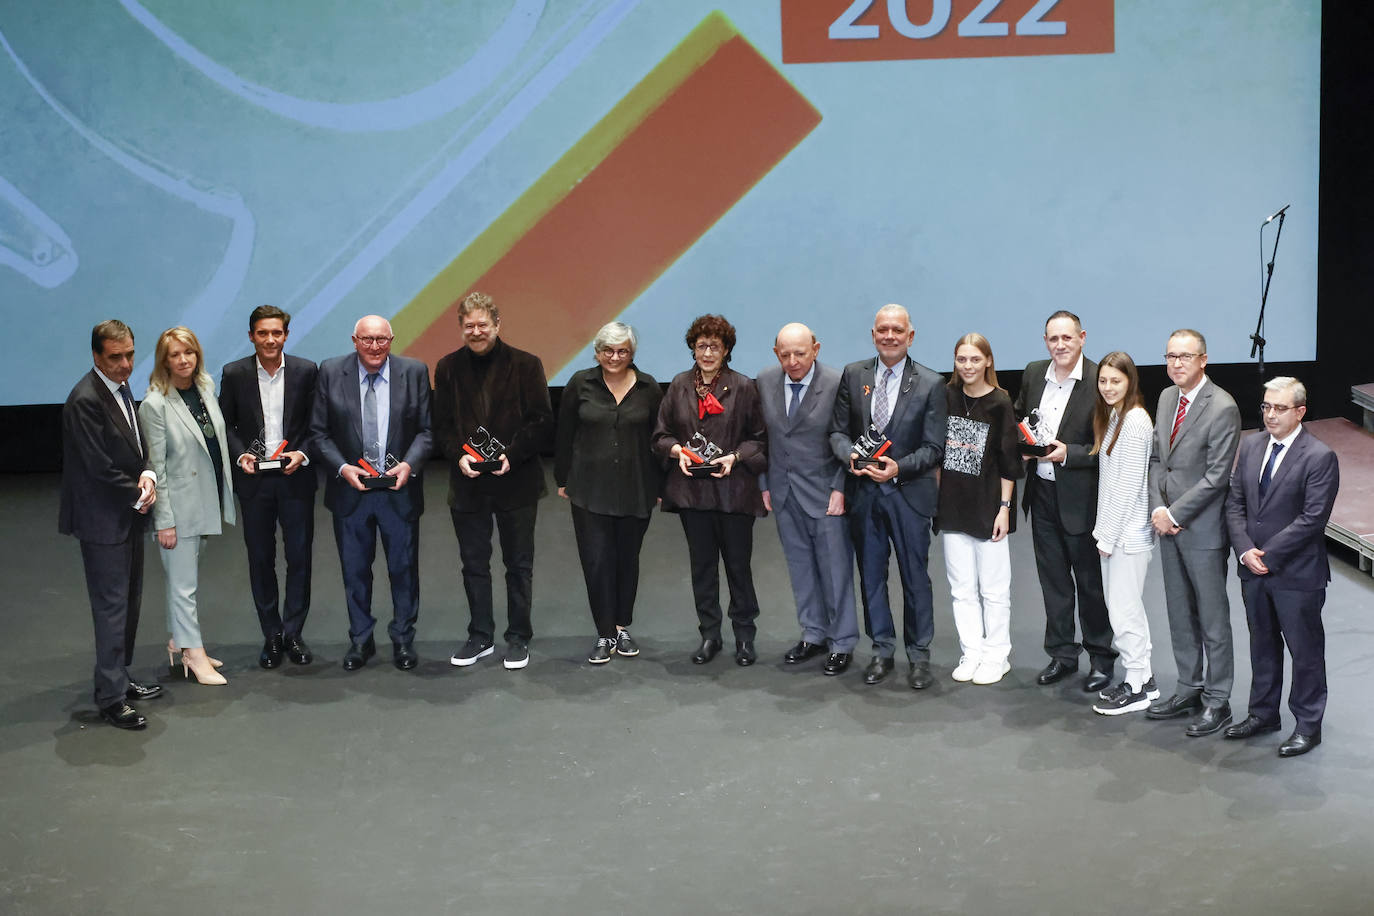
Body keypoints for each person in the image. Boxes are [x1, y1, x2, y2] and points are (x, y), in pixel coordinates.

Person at [434, 292, 553, 671]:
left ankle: (518, 637)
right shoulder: (447, 367)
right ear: (461, 328)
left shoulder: (527, 364)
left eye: (483, 324)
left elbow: (541, 421)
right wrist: (459, 455)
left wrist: (510, 455)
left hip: (516, 480)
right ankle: (480, 636)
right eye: (469, 326)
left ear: (497, 325)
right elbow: (442, 426)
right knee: (473, 564)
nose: (476, 331)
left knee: (518, 564)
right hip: (467, 483)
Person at [830, 304, 946, 689]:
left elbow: (934, 448)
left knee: (915, 578)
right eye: (883, 330)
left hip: (908, 495)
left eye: (898, 330)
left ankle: (919, 656)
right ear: (873, 334)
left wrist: (900, 467)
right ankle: (881, 650)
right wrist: (850, 456)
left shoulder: (931, 383)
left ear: (910, 336)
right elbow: (837, 432)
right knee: (872, 578)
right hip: (864, 495)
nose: (890, 336)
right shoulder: (853, 375)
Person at [1223, 377, 1339, 757]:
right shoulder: (1251, 444)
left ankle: (1308, 725)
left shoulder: (1319, 456)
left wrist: (1266, 556)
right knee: (1262, 644)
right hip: (1252, 568)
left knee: (1304, 651)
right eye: (1266, 407)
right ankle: (1263, 714)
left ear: (1300, 412)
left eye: (1279, 408)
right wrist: (1244, 551)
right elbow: (1235, 503)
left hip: (1296, 575)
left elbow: (1311, 519)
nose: (1270, 415)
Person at [311, 315, 432, 671]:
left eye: (381, 340)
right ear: (354, 340)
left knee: (404, 570)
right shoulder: (331, 372)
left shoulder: (414, 372)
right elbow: (319, 433)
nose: (374, 347)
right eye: (367, 339)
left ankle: (403, 640)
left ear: (392, 340)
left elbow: (426, 431)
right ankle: (361, 640)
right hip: (351, 493)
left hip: (399, 490)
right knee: (355, 573)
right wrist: (342, 468)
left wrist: (409, 465)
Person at [60, 320, 162, 729]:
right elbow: (97, 467)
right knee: (111, 609)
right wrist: (138, 493)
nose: (125, 365)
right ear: (97, 356)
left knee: (129, 604)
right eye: (116, 357)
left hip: (125, 515)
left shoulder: (119, 388)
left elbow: (134, 446)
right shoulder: (84, 399)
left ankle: (120, 677)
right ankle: (110, 698)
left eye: (130, 355)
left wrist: (148, 475)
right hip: (104, 520)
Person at [651, 314, 767, 666]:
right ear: (692, 348)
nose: (707, 352)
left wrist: (734, 457)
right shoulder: (678, 385)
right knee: (702, 567)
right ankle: (710, 635)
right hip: (692, 493)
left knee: (737, 567)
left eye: (714, 346)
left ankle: (745, 636)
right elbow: (660, 435)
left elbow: (759, 440)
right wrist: (677, 452)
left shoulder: (745, 386)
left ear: (727, 349)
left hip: (734, 492)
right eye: (701, 345)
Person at [1144, 329, 1242, 736]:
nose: (1176, 363)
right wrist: (1158, 508)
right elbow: (1156, 460)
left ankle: (1218, 701)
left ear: (1203, 360)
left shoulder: (1222, 407)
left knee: (1212, 617)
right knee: (1179, 612)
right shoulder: (1167, 397)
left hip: (1201, 529)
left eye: (1185, 356)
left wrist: (1176, 512)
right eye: (1170, 356)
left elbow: (1217, 476)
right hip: (1168, 524)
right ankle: (1189, 686)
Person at [1013, 310, 1116, 694]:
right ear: (1045, 342)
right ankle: (1062, 654)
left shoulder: (1099, 381)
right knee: (1053, 582)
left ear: (1082, 338)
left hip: (1083, 500)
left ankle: (1102, 659)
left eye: (1067, 338)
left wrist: (1066, 454)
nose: (1060, 345)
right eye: (1053, 339)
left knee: (1090, 585)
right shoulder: (1033, 372)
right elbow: (1022, 418)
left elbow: (1109, 445)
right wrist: (1023, 446)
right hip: (1041, 496)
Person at [555, 322, 663, 664]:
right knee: (598, 561)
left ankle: (621, 626)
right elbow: (564, 434)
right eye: (608, 351)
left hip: (637, 488)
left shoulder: (649, 388)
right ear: (597, 352)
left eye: (622, 351)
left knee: (626, 561)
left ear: (632, 353)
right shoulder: (579, 384)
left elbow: (659, 439)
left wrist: (661, 485)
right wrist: (562, 479)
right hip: (589, 490)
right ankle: (604, 633)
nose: (614, 357)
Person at [219, 305, 319, 670]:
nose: (270, 339)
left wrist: (303, 454)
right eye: (263, 333)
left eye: (277, 333)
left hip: (296, 478)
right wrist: (240, 454)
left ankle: (293, 632)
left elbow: (315, 424)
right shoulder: (234, 374)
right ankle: (271, 635)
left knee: (299, 558)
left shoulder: (307, 371)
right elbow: (226, 424)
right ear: (251, 336)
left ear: (286, 336)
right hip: (255, 482)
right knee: (260, 559)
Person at [757, 323, 857, 675]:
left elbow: (847, 437)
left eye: (800, 353)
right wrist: (764, 483)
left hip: (825, 491)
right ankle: (813, 633)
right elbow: (763, 437)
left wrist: (840, 486)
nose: (793, 361)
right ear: (775, 354)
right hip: (783, 492)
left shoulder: (835, 382)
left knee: (835, 569)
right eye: (785, 354)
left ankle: (842, 641)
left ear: (816, 348)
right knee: (800, 568)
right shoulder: (766, 380)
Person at [139, 327, 237, 686]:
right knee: (185, 586)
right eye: (175, 355)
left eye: (189, 353)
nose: (183, 360)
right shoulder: (155, 404)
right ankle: (193, 655)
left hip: (204, 498)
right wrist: (164, 521)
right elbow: (156, 467)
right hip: (178, 507)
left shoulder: (205, 388)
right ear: (163, 361)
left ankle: (178, 642)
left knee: (183, 580)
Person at [937, 333, 1022, 686]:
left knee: (994, 589)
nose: (968, 366)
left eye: (975, 359)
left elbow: (1010, 463)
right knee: (961, 588)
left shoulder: (1001, 402)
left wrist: (1004, 509)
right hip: (954, 507)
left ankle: (996, 654)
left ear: (988, 361)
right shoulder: (947, 396)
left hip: (989, 508)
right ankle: (971, 651)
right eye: (961, 359)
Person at [1086, 352, 1158, 715]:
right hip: (1116, 534)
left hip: (1128, 537)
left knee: (1123, 612)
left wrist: (1107, 537)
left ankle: (1138, 685)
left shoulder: (1135, 422)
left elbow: (1129, 486)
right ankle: (1140, 678)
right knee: (1125, 610)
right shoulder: (1115, 417)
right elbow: (1109, 485)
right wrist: (1105, 532)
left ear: (1130, 382)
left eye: (1116, 380)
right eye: (1103, 380)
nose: (1108, 387)